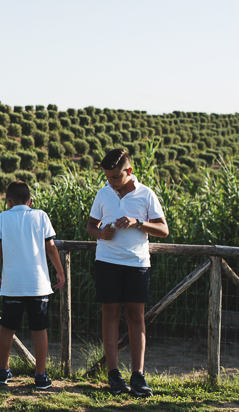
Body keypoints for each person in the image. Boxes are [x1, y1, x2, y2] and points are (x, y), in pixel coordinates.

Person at [86, 148, 169, 397]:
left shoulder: (146, 194)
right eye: (107, 177)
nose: (110, 182)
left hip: (137, 264)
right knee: (110, 314)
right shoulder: (103, 193)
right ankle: (114, 375)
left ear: (129, 171)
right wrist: (101, 233)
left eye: (114, 177)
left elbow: (163, 230)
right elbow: (91, 226)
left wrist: (137, 222)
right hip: (107, 262)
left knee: (136, 317)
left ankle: (138, 376)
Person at [0, 181, 65, 389]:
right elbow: (50, 247)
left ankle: (3, 371)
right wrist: (60, 272)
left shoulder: (2, 218)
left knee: (7, 328)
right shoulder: (40, 216)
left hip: (12, 283)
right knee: (39, 329)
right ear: (30, 201)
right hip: (38, 284)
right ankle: (40, 376)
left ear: (8, 201)